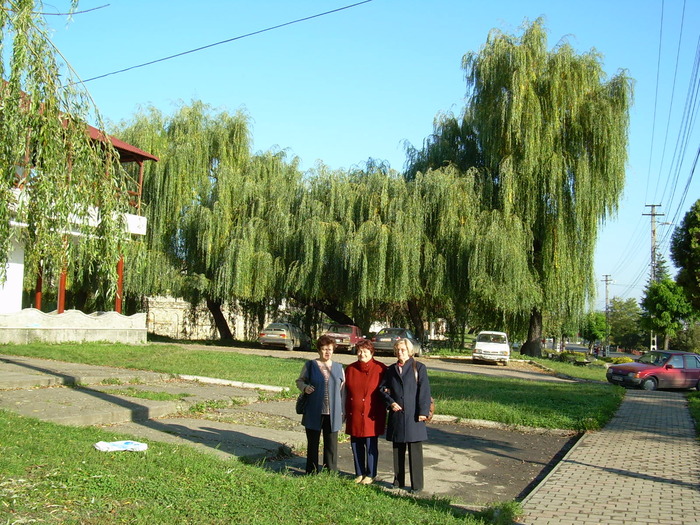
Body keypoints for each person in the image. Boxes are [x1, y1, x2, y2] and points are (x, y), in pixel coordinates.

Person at [381, 337, 431, 494]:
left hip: (414, 415)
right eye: (397, 350)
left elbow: (424, 391)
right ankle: (398, 480)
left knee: (415, 450)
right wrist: (390, 402)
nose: (400, 352)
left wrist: (423, 412)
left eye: (403, 350)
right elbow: (382, 389)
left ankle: (417, 485)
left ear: (410, 351)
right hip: (397, 414)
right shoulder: (390, 370)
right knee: (398, 449)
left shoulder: (419, 367)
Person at [296, 334, 345, 474]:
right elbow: (300, 381)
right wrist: (305, 387)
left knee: (331, 444)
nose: (327, 352)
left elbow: (343, 390)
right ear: (319, 350)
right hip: (314, 410)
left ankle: (330, 471)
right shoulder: (310, 365)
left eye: (330, 349)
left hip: (333, 412)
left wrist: (342, 409)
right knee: (313, 443)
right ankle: (311, 471)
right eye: (324, 349)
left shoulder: (338, 367)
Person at [344, 339, 387, 485]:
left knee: (370, 445)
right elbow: (345, 391)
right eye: (359, 351)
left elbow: (386, 391)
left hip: (372, 414)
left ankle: (371, 473)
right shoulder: (350, 369)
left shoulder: (381, 369)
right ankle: (359, 472)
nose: (362, 354)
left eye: (365, 351)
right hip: (354, 413)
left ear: (372, 352)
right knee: (356, 445)